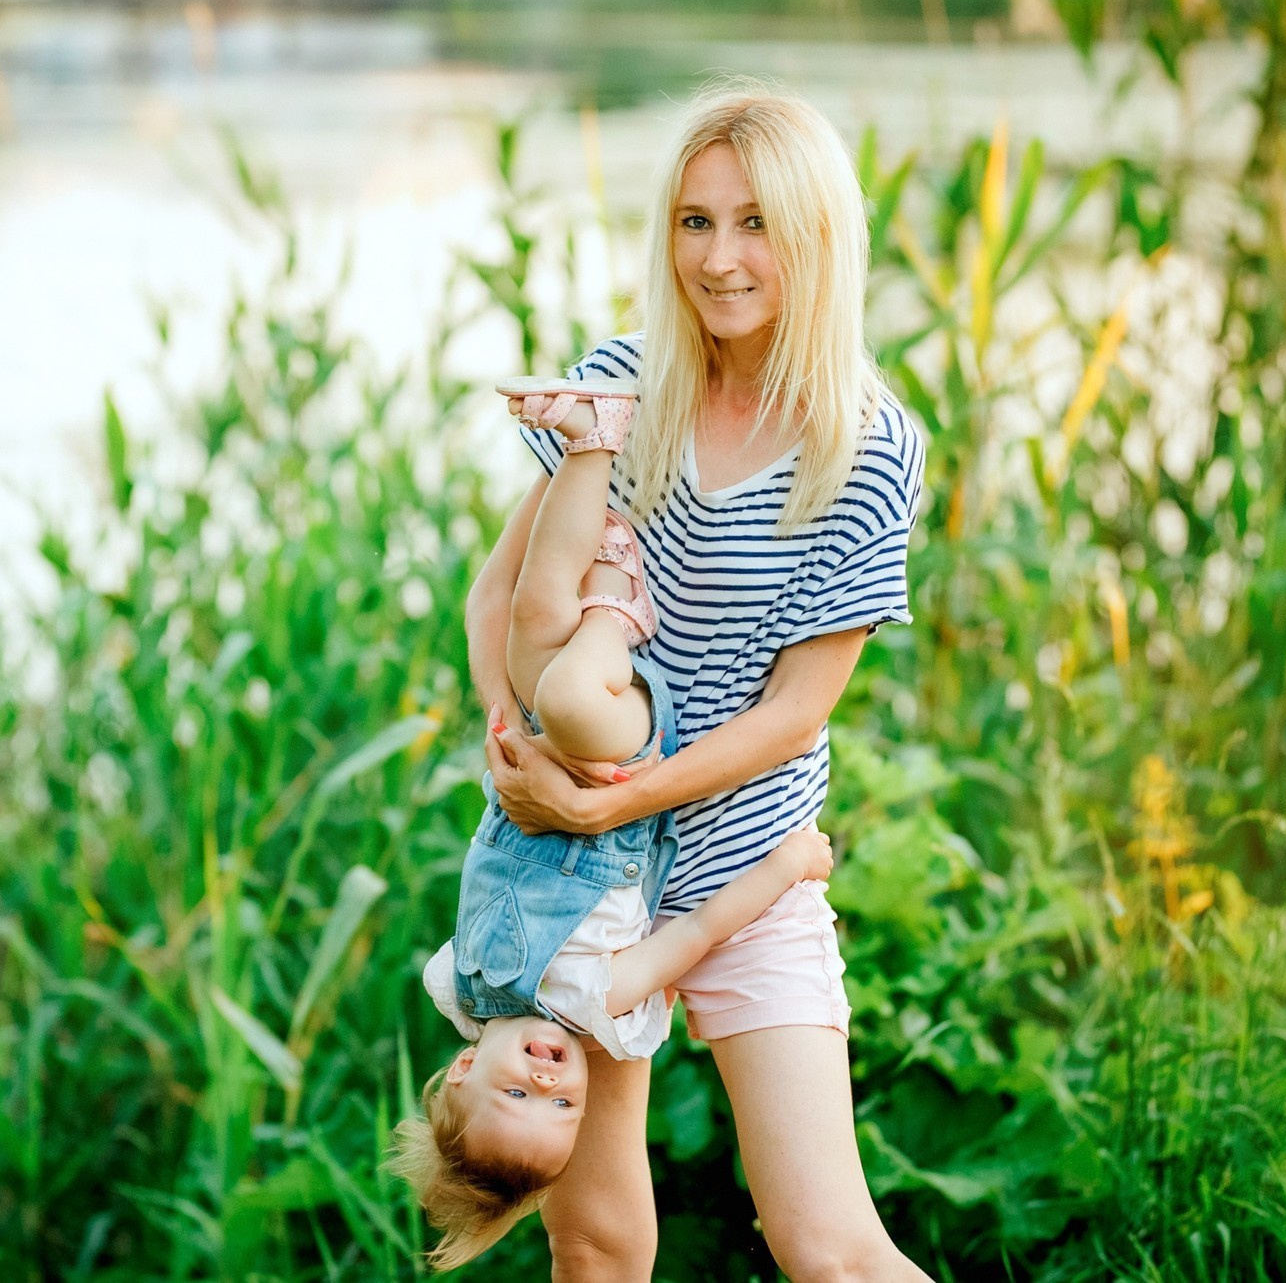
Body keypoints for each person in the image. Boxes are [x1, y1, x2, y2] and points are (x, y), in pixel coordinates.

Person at [471, 83, 935, 1281]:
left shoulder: (869, 446)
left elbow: (795, 713)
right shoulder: (622, 386)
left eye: (754, 224)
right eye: (692, 222)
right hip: (574, 881)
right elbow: (497, 598)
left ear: (818, 237)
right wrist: (513, 754)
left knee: (827, 1247)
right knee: (598, 1236)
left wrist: (617, 799)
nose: (717, 259)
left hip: (743, 854)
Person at [390, 374, 838, 1270]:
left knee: (531, 618)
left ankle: (596, 441)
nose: (554, 1083)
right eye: (563, 1108)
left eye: (521, 1089)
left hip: (551, 740)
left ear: (467, 1068)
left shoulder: (466, 985)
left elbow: (493, 602)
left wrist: (509, 741)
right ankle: (614, 602)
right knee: (561, 680)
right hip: (622, 745)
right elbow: (703, 927)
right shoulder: (603, 1003)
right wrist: (789, 864)